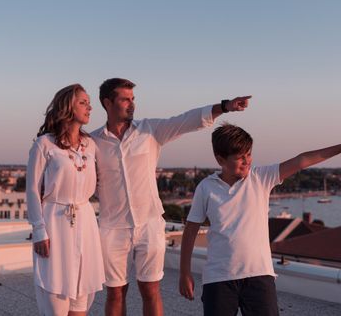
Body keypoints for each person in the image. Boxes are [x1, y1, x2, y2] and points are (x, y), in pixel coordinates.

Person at [90, 78, 251, 316]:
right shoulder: (92, 141)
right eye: (125, 99)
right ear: (107, 103)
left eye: (133, 99)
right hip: (112, 227)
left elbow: (187, 120)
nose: (132, 104)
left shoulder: (150, 130)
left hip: (149, 224)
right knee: (115, 293)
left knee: (150, 289)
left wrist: (225, 106)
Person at [179, 123, 341, 316]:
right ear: (220, 159)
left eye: (249, 155)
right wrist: (184, 273)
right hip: (218, 278)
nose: (247, 161)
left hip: (259, 275)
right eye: (240, 158)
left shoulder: (261, 178)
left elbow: (302, 160)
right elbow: (190, 231)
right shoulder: (206, 187)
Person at [26, 84, 105, 316]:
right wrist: (39, 229)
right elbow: (32, 190)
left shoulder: (91, 145)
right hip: (54, 222)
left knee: (80, 303)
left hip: (86, 221)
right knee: (55, 298)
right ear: (67, 106)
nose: (90, 107)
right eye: (83, 102)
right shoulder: (44, 145)